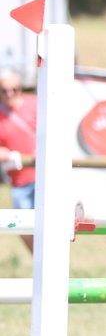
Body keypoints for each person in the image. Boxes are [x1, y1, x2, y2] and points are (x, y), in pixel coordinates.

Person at [0, 69, 37, 252]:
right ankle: (40, 260)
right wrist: (7, 154)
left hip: (43, 177)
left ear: (20, 88)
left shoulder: (35, 104)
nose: (9, 94)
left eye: (13, 89)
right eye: (4, 90)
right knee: (22, 227)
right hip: (19, 181)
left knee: (50, 224)